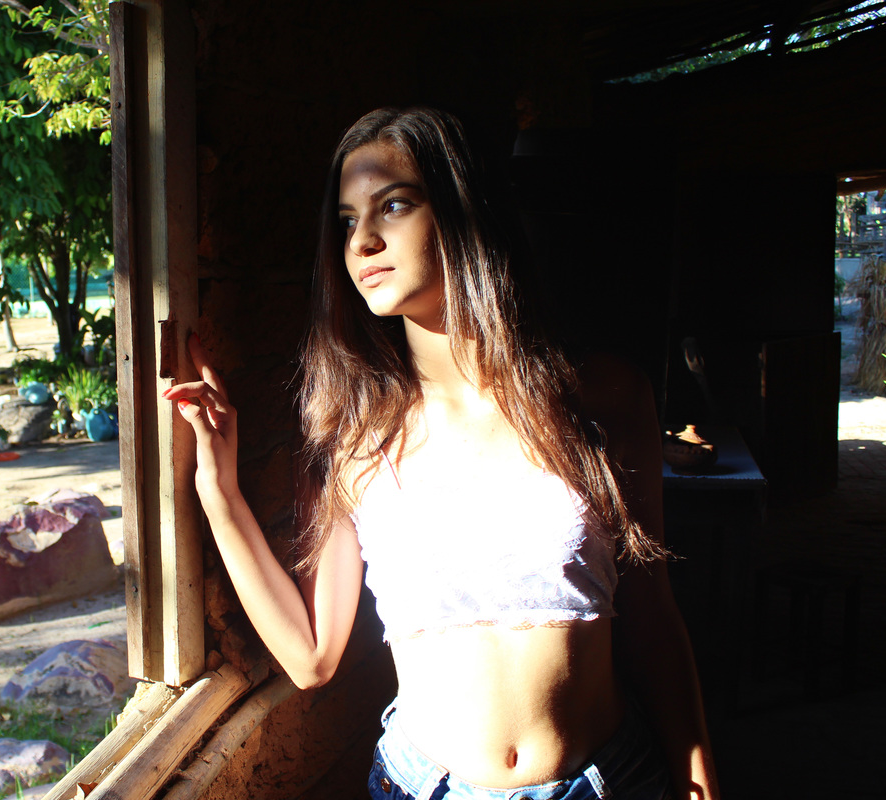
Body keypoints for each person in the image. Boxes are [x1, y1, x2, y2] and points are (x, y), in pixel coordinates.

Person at [163, 107, 718, 800]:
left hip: (609, 780)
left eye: (393, 205)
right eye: (346, 221)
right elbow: (311, 658)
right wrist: (218, 490)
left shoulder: (604, 397)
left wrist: (699, 772)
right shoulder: (356, 437)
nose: (363, 240)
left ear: (462, 210)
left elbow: (652, 615)